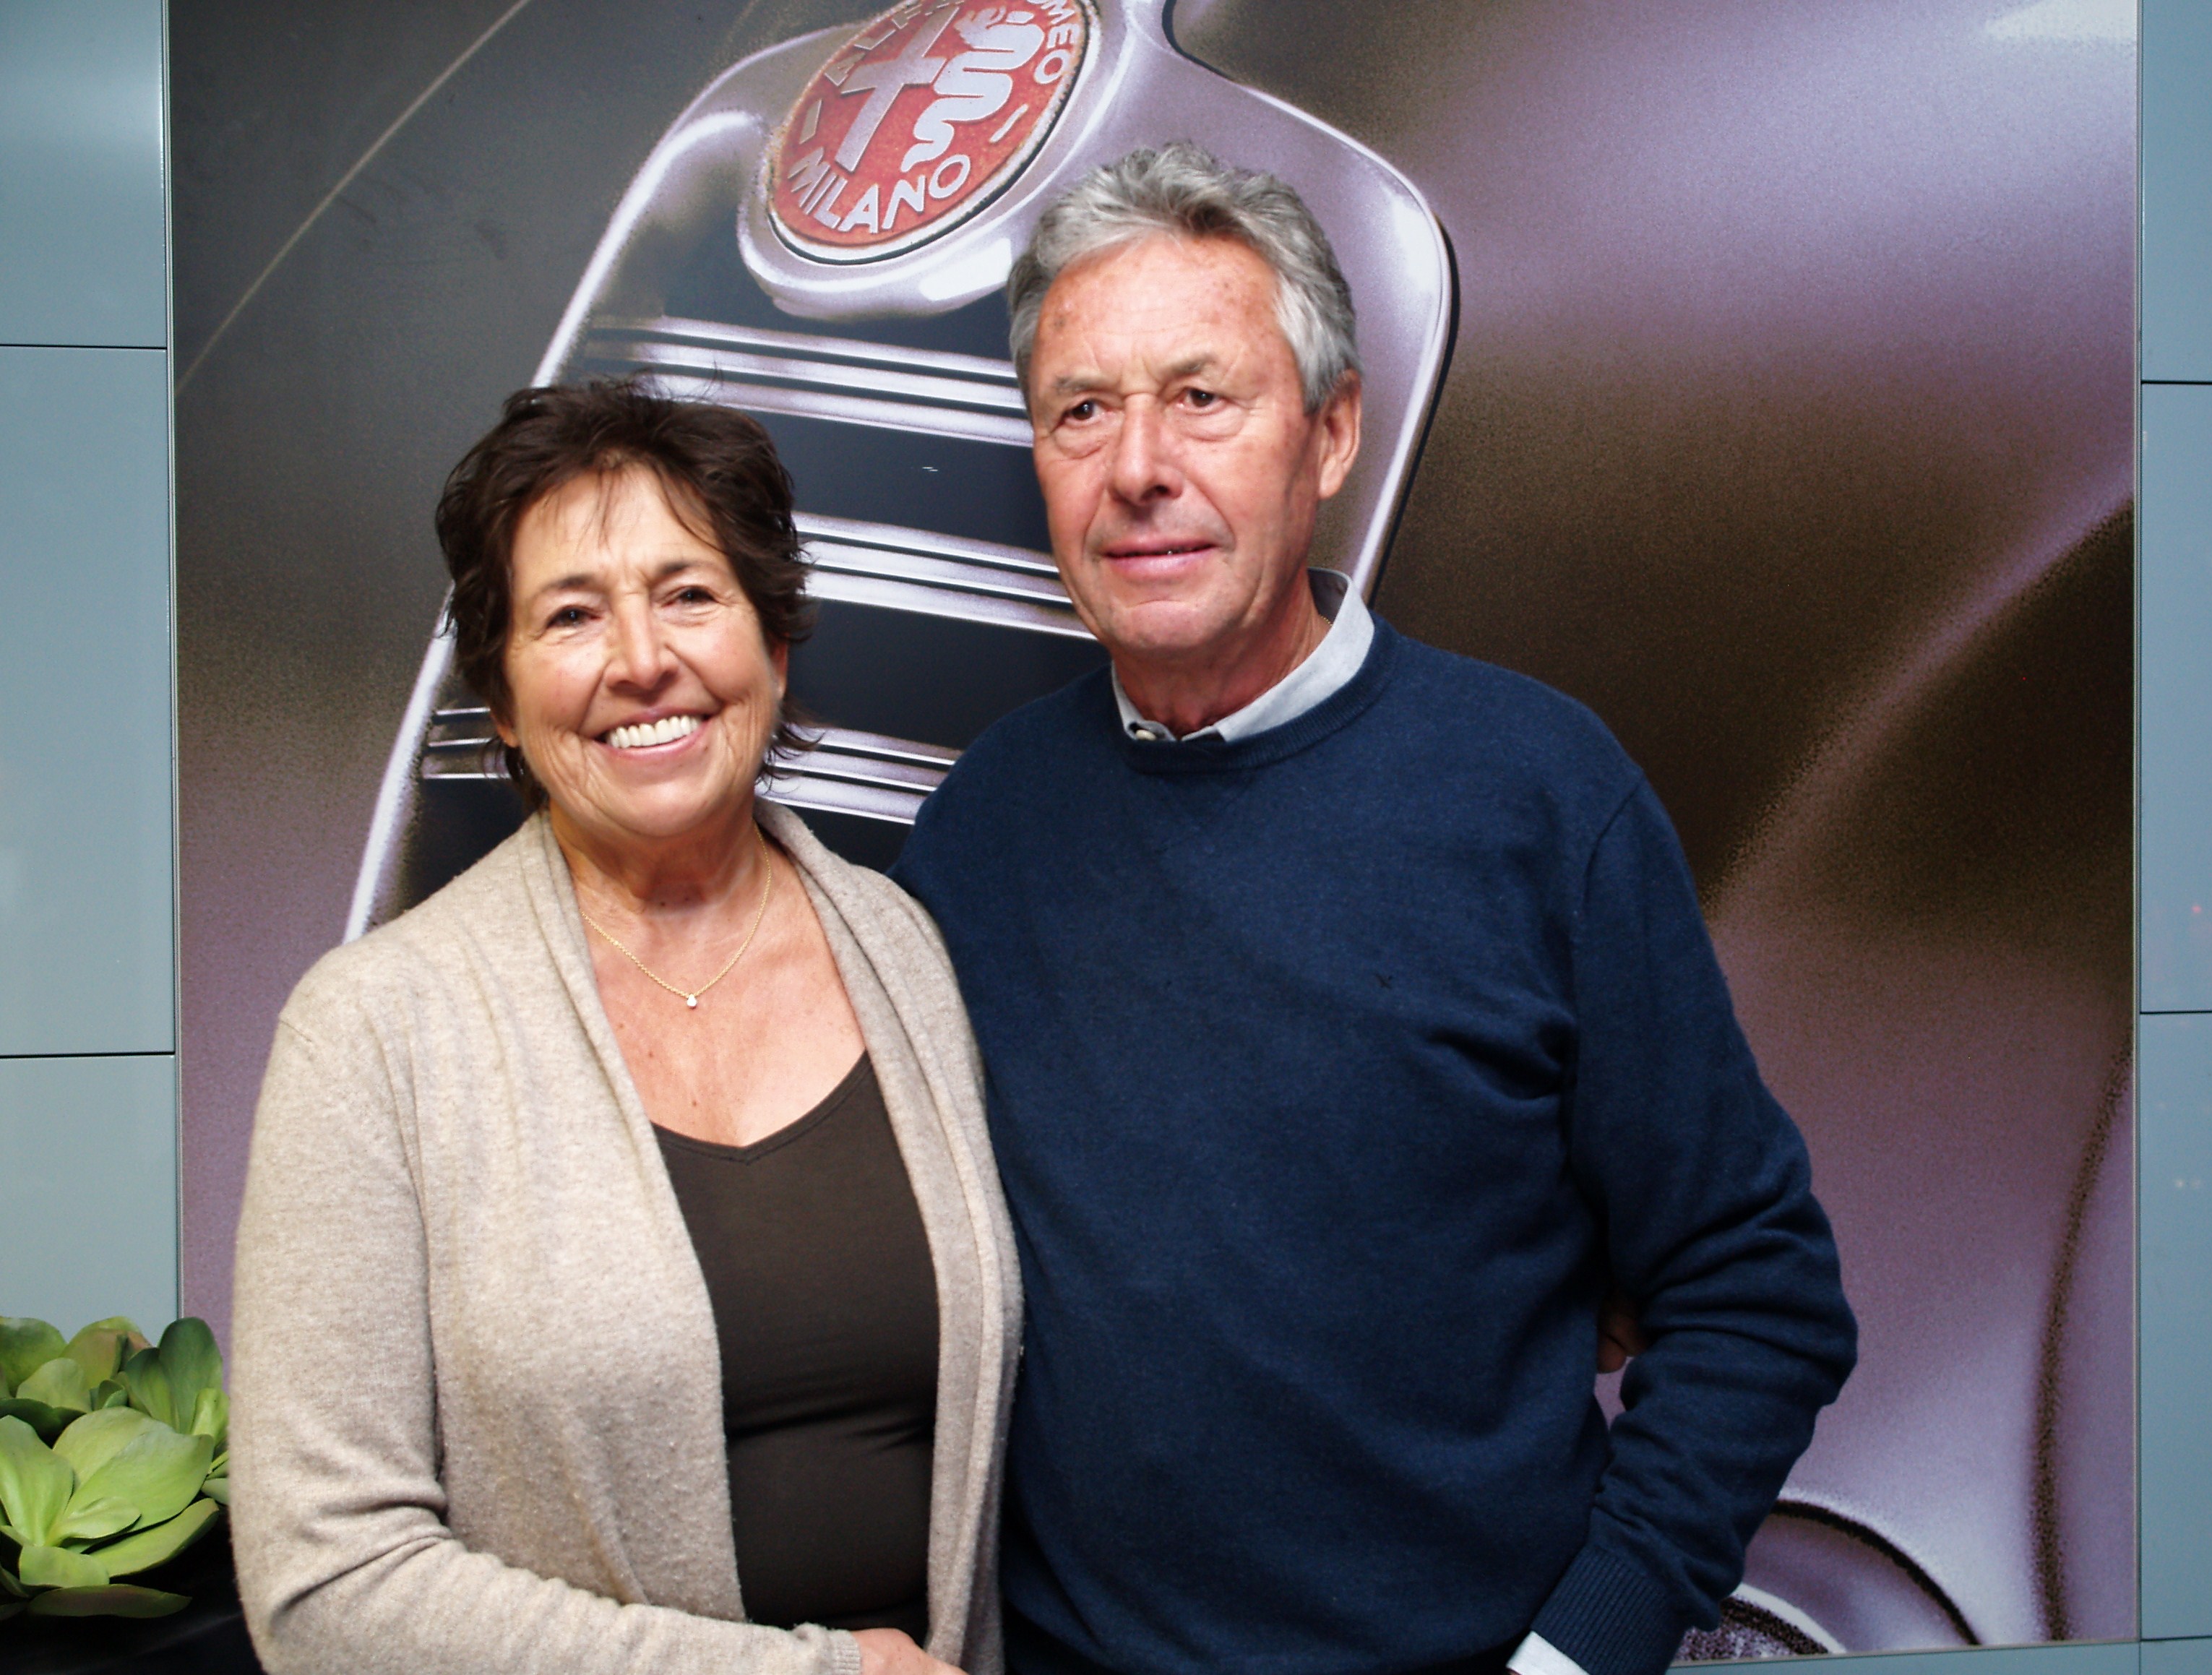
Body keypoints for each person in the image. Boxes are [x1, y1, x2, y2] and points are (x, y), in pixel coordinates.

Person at [892, 145, 1859, 1675]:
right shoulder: (983, 825)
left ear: (1331, 434)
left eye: (1201, 396)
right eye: (1081, 410)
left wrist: (1580, 1652)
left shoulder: (1539, 797)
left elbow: (1758, 1289)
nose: (1137, 465)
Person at [232, 382, 1019, 1675]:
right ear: (503, 697)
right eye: (571, 615)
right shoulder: (372, 1033)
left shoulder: (906, 950)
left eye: (690, 593)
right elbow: (325, 1585)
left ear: (774, 645)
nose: (643, 659)